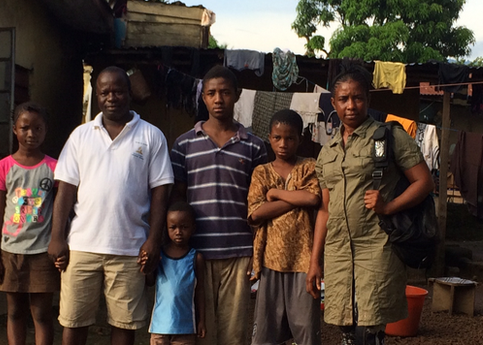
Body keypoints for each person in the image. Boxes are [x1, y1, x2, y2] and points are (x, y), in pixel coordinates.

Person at [306, 66, 434, 345]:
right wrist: (315, 261)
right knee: (346, 329)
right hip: (338, 251)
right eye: (343, 99)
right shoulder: (327, 153)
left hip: (377, 247)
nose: (351, 106)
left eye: (358, 98)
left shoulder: (389, 137)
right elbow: (325, 210)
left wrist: (388, 206)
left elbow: (424, 183)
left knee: (370, 329)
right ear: (333, 103)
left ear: (368, 99)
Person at [48, 66, 174, 345]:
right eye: (104, 92)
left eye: (118, 91)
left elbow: (160, 193)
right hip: (81, 246)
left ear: (129, 93)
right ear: (97, 96)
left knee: (124, 325)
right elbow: (66, 191)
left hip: (130, 248)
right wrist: (57, 236)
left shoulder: (151, 135)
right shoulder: (81, 136)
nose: (111, 97)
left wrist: (154, 240)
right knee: (73, 322)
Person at [170, 65, 268, 345]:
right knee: (200, 330)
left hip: (238, 251)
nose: (218, 99)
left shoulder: (254, 145)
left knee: (233, 332)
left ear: (237, 95)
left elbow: (259, 198)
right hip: (195, 252)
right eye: (211, 93)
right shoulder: (184, 145)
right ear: (203, 98)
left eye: (225, 92)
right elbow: (178, 197)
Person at [247, 109, 322, 345]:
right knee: (266, 330)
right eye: (277, 137)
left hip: (303, 259)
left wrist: (275, 193)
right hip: (270, 259)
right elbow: (256, 213)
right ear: (269, 138)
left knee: (306, 329)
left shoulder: (309, 167)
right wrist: (294, 198)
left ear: (300, 139)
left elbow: (313, 199)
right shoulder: (261, 172)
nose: (283, 143)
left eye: (290, 138)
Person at [0, 102, 58, 345]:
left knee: (41, 313)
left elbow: (62, 211)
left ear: (45, 131)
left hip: (42, 253)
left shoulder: (54, 168)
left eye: (38, 128)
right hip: (10, 252)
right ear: (14, 129)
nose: (31, 134)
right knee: (15, 311)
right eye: (25, 127)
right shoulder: (2, 168)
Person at [144, 201, 206, 345]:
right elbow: (150, 281)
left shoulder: (196, 258)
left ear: (193, 228)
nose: (178, 232)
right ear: (167, 228)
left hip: (185, 328)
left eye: (184, 227)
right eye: (173, 227)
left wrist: (201, 320)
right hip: (160, 327)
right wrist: (146, 267)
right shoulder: (159, 255)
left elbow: (200, 291)